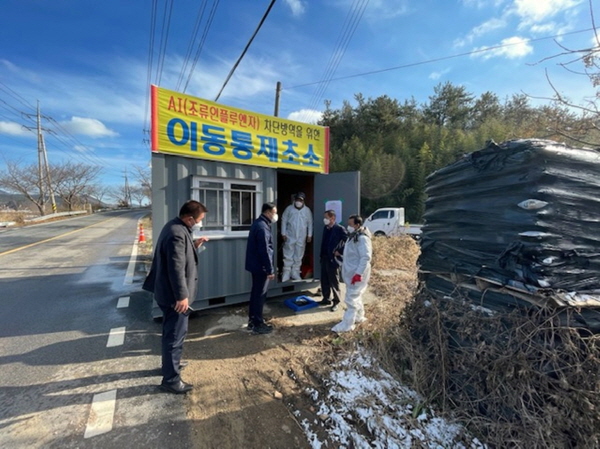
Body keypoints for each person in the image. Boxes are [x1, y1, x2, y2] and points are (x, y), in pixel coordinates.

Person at [143, 200, 208, 394]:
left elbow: (181, 256)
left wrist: (194, 245)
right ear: (189, 218)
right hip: (174, 297)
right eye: (199, 220)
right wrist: (182, 296)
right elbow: (176, 268)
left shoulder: (177, 228)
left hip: (168, 294)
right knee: (175, 336)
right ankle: (171, 380)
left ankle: (171, 365)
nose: (200, 223)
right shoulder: (176, 234)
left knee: (171, 333)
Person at [332, 214, 372, 333]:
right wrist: (341, 255)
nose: (348, 226)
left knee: (351, 298)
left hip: (357, 273)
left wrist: (359, 273)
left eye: (350, 224)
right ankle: (359, 317)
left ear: (357, 225)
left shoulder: (362, 238)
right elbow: (353, 254)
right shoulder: (354, 236)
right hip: (352, 271)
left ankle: (347, 324)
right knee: (356, 296)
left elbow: (365, 257)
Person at [245, 202, 278, 335]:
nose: (275, 215)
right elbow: (264, 250)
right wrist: (269, 269)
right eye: (274, 213)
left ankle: (253, 320)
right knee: (260, 295)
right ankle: (257, 324)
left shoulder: (259, 223)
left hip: (255, 266)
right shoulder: (262, 227)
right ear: (268, 212)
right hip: (261, 267)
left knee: (256, 293)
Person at [281, 192, 313, 281]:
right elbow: (284, 220)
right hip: (290, 235)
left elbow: (310, 223)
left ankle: (295, 272)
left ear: (303, 201)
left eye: (300, 200)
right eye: (297, 200)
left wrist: (309, 235)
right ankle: (286, 272)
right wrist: (283, 233)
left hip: (301, 237)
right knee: (288, 253)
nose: (298, 202)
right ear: (295, 200)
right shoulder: (289, 209)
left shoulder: (307, 210)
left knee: (299, 255)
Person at [319, 210, 347, 312]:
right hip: (325, 257)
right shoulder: (326, 228)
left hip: (333, 259)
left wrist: (340, 251)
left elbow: (347, 241)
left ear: (333, 218)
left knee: (334, 281)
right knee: (324, 279)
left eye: (326, 217)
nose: (324, 220)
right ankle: (326, 298)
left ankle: (336, 301)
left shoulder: (339, 229)